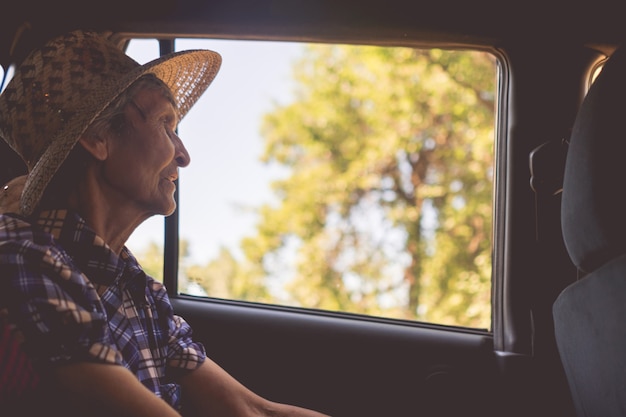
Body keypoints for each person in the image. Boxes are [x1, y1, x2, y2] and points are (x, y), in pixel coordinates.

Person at [0, 30, 330, 417]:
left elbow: (252, 410)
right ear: (96, 137)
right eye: (165, 124)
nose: (184, 154)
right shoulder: (23, 252)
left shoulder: (136, 288)